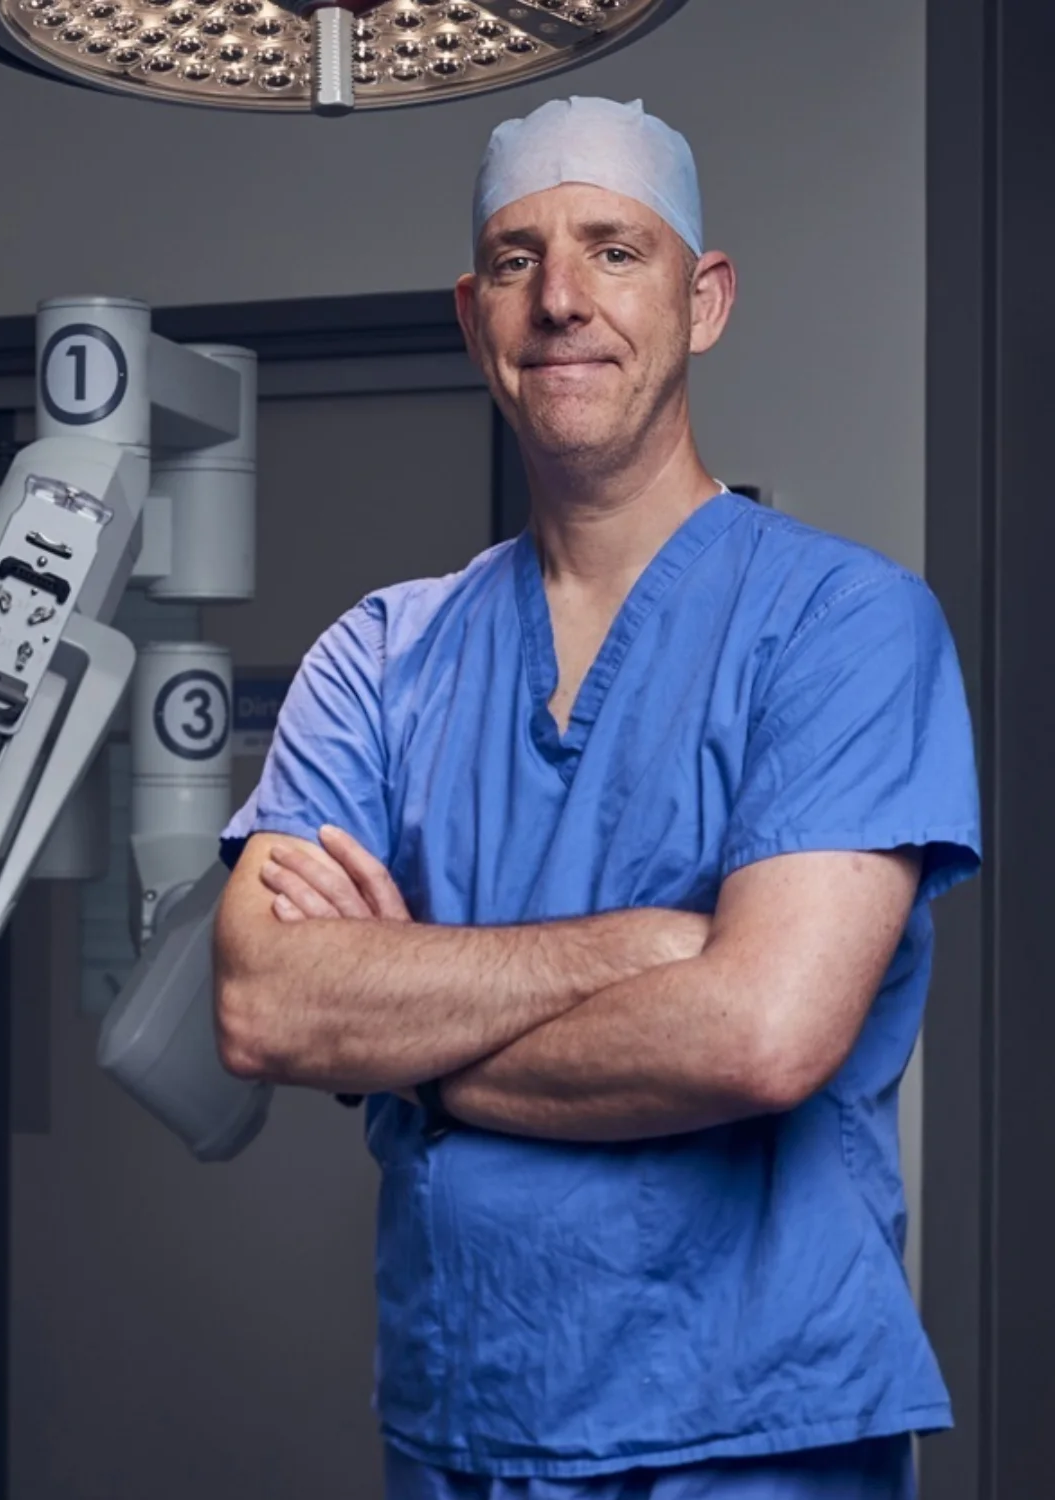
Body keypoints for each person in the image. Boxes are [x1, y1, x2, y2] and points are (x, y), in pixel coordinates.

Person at [210, 97, 979, 1500]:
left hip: (751, 1429)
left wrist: (403, 1042)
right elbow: (265, 1004)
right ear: (470, 314)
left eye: (615, 250)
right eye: (517, 259)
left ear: (706, 300)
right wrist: (643, 946)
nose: (561, 299)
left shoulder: (845, 625)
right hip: (466, 1417)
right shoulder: (379, 657)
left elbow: (761, 1033)